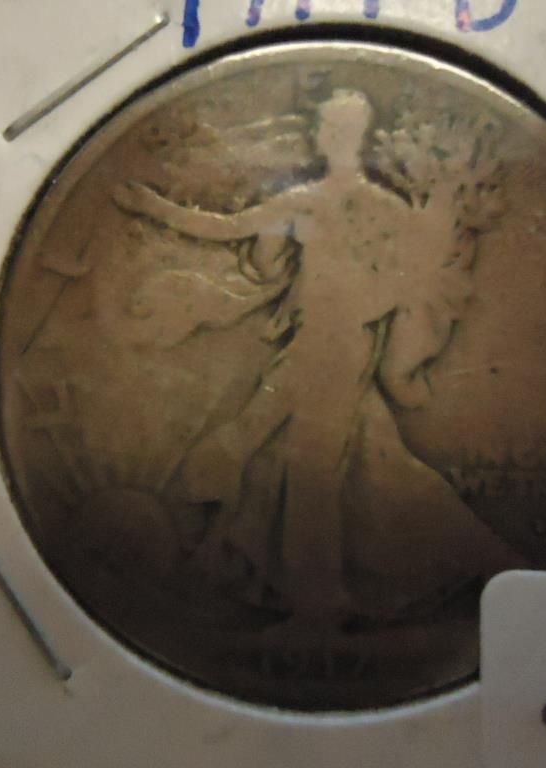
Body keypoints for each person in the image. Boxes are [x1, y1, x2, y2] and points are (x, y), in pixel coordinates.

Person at [114, 90, 523, 630]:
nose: (323, 136)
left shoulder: (337, 205)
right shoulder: (344, 204)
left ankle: (319, 601)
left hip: (334, 347)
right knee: (344, 462)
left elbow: (401, 283)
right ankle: (475, 562)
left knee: (310, 473)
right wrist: (156, 209)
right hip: (324, 343)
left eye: (330, 128)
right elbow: (232, 229)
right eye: (325, 128)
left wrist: (352, 313)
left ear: (346, 136)